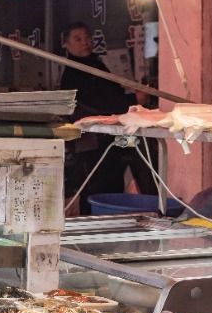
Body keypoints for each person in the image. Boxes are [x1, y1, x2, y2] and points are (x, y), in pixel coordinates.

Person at [59, 22, 156, 213]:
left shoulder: (96, 64)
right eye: (78, 39)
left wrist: (131, 99)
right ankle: (94, 232)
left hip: (109, 139)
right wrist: (133, 99)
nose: (85, 42)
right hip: (90, 143)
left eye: (87, 37)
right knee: (95, 190)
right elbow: (97, 103)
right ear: (67, 44)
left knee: (113, 185)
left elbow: (111, 93)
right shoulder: (72, 73)